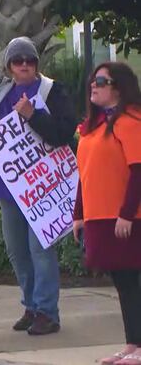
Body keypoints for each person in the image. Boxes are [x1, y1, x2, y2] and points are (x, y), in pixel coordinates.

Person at [0, 36, 76, 335]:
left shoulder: (52, 91)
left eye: (30, 60)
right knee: (17, 250)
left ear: (37, 64)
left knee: (39, 248)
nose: (24, 66)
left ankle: (47, 311)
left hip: (43, 188)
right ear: (8, 66)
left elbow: (63, 132)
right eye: (18, 61)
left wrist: (33, 116)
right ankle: (32, 306)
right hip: (8, 187)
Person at [73, 62, 141, 365]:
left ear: (119, 87)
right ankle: (133, 343)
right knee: (123, 281)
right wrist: (79, 214)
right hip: (100, 216)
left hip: (129, 218)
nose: (94, 85)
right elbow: (84, 173)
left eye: (102, 81)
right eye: (93, 80)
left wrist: (127, 213)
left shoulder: (131, 120)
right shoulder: (95, 126)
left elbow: (138, 171)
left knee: (133, 279)